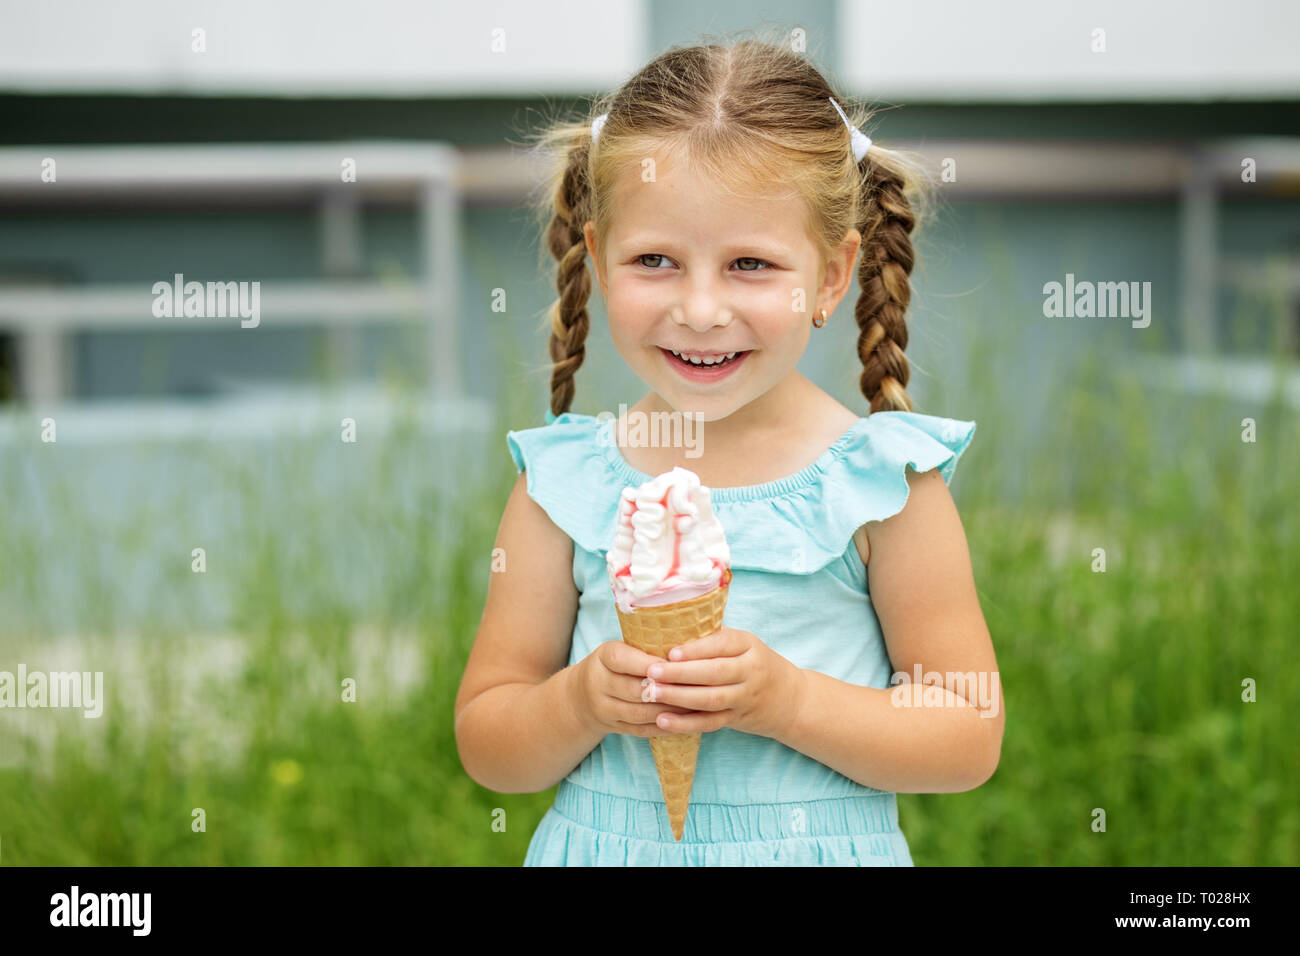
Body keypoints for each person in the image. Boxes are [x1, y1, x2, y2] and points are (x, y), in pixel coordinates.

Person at [455, 35, 1003, 865]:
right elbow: (489, 744)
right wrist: (578, 703)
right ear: (599, 262)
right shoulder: (562, 488)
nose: (702, 308)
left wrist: (789, 701)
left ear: (829, 276)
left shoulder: (881, 487)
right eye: (655, 262)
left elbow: (967, 737)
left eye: (750, 263)